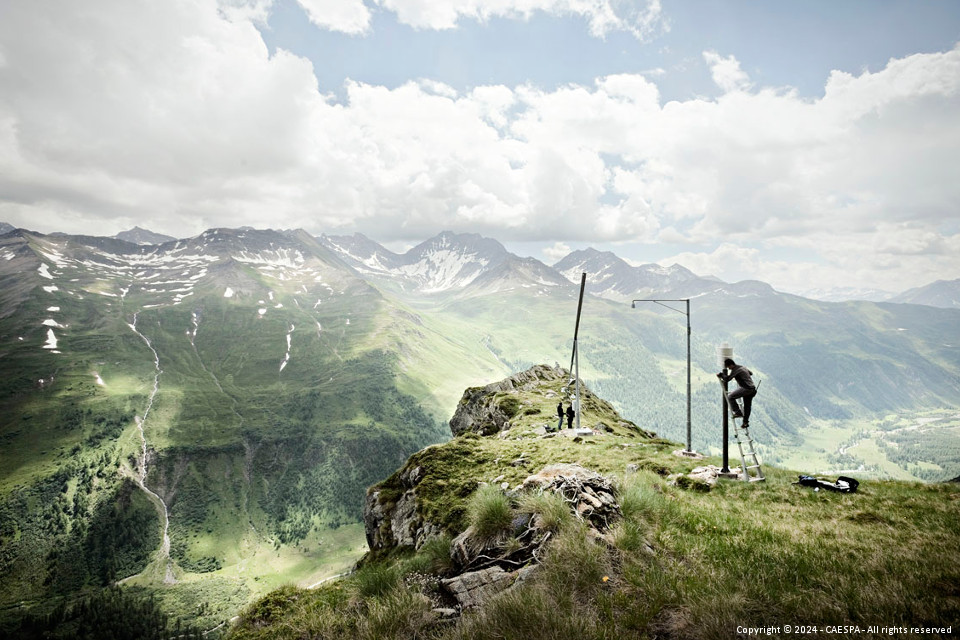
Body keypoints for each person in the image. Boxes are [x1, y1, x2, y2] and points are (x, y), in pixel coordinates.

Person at [719, 357, 757, 428]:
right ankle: (745, 423)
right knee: (747, 406)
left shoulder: (735, 370)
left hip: (746, 388)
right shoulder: (742, 367)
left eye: (728, 367)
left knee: (730, 397)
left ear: (730, 365)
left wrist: (721, 375)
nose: (729, 369)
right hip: (752, 389)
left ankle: (738, 412)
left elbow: (727, 379)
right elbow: (750, 373)